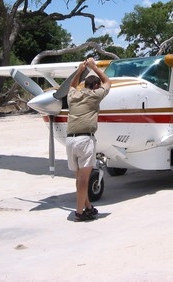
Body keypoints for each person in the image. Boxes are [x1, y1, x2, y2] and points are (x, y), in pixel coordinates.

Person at [66, 58, 111, 222]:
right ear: (95, 87)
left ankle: (89, 207)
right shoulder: (94, 96)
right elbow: (108, 82)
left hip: (70, 141)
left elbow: (71, 86)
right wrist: (94, 67)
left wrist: (79, 70)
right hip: (85, 140)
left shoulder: (72, 96)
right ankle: (79, 212)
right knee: (84, 179)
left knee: (79, 179)